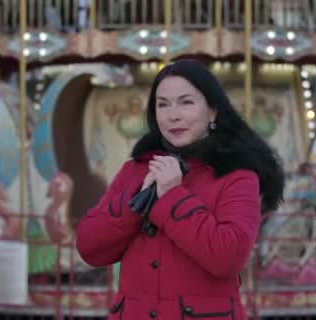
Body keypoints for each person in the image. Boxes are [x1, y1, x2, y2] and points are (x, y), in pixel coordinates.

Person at [76, 59, 285, 319]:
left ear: (213, 111)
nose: (173, 114)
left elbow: (228, 258)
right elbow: (89, 247)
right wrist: (138, 202)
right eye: (163, 104)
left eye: (186, 102)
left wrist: (173, 196)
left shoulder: (237, 174)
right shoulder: (136, 170)